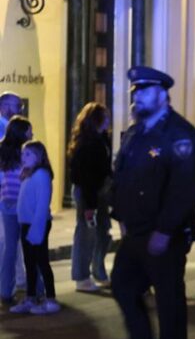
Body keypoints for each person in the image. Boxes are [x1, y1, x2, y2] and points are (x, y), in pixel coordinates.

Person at [109, 66, 195, 339]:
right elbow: (122, 176)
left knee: (169, 300)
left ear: (163, 95)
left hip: (164, 235)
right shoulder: (137, 133)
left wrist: (165, 230)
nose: (137, 98)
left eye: (144, 91)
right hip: (134, 232)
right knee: (123, 286)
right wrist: (119, 216)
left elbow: (185, 189)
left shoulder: (180, 135)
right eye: (135, 92)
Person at [68, 102, 113, 292]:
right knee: (87, 232)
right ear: (97, 120)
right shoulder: (88, 143)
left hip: (99, 192)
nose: (109, 120)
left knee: (103, 231)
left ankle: (98, 270)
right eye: (105, 117)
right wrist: (89, 206)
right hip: (89, 193)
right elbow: (86, 176)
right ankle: (82, 277)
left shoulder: (100, 139)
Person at [11, 141, 59, 315]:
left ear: (39, 156)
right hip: (27, 224)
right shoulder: (29, 174)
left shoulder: (42, 175)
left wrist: (36, 231)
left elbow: (41, 205)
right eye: (23, 154)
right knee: (29, 263)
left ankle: (51, 299)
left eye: (29, 154)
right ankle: (31, 297)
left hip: (37, 225)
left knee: (42, 262)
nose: (24, 157)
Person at [0, 117, 32, 305]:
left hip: (6, 203)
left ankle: (5, 290)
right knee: (31, 246)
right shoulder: (26, 152)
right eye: (29, 131)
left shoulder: (2, 150)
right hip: (24, 203)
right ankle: (36, 290)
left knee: (10, 249)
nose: (32, 134)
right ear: (22, 132)